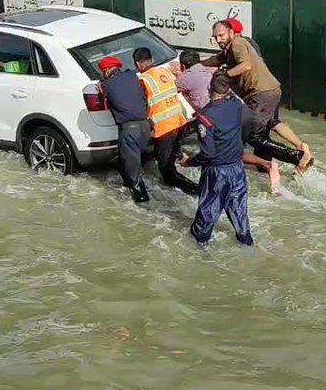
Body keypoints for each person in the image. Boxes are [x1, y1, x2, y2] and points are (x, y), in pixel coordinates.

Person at [203, 20, 313, 170]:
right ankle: (275, 162)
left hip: (261, 94)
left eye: (221, 35)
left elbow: (245, 65)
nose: (218, 40)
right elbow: (215, 60)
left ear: (231, 32)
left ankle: (297, 157)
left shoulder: (237, 43)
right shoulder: (228, 49)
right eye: (215, 37)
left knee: (254, 136)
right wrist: (198, 63)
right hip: (267, 91)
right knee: (269, 126)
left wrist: (225, 75)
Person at [179, 72, 253, 246]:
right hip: (237, 167)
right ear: (228, 90)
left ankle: (199, 251)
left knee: (208, 212)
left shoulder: (205, 117)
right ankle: (246, 243)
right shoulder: (236, 105)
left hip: (217, 172)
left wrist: (188, 161)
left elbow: (208, 154)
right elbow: (249, 119)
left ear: (209, 88)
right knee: (239, 210)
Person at [134, 47, 200, 196]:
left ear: (138, 65)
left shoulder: (143, 80)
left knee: (166, 171)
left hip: (164, 128)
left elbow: (141, 105)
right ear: (151, 59)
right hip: (180, 122)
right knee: (173, 157)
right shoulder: (164, 72)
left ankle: (197, 191)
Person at [97, 55, 151, 202]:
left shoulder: (105, 85)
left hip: (129, 130)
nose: (101, 75)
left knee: (133, 172)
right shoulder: (132, 75)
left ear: (107, 70)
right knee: (128, 161)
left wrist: (101, 88)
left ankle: (142, 203)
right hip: (146, 127)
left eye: (101, 72)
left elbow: (103, 101)